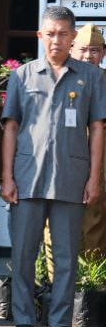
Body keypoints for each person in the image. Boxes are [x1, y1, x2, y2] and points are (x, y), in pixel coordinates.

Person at [1, 7, 106, 327]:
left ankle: (61, 323)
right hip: (27, 177)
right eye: (50, 33)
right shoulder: (23, 76)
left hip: (70, 176)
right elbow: (11, 127)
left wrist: (93, 178)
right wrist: (7, 176)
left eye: (63, 33)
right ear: (40, 36)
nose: (56, 40)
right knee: (23, 254)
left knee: (65, 256)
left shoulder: (91, 77)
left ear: (72, 37)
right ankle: (23, 321)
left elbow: (97, 128)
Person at [71, 24, 106, 254]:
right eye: (83, 49)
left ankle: (94, 271)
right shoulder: (62, 78)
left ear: (103, 53)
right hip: (69, 154)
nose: (88, 56)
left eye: (94, 50)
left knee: (97, 213)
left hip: (102, 158)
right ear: (72, 49)